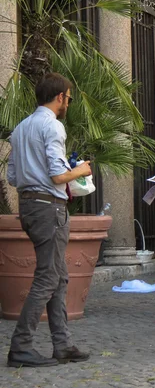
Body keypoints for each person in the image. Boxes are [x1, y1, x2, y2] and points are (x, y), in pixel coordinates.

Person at [7, 73, 92, 367]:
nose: (68, 103)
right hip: (49, 208)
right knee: (48, 276)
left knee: (58, 275)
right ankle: (20, 346)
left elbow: (13, 176)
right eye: (68, 98)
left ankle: (63, 344)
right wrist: (82, 170)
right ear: (59, 98)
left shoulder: (20, 129)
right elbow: (58, 176)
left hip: (29, 206)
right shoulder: (52, 126)